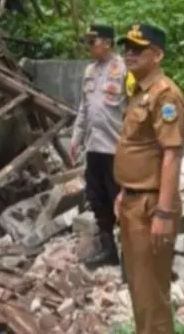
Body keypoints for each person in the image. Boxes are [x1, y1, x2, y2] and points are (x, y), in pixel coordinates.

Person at [114, 23, 184, 334]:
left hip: (151, 205)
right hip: (133, 200)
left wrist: (164, 212)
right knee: (139, 290)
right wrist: (123, 191)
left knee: (152, 296)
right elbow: (137, 149)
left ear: (157, 55)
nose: (129, 54)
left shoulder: (165, 95)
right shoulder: (139, 92)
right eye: (126, 48)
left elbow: (172, 154)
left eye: (137, 49)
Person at [69, 24, 127, 269]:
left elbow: (134, 107)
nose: (89, 47)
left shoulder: (124, 69)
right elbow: (85, 107)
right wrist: (76, 138)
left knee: (121, 201)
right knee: (97, 198)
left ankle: (130, 257)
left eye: (93, 42)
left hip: (117, 148)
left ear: (108, 43)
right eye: (88, 42)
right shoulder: (89, 71)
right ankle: (108, 250)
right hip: (94, 148)